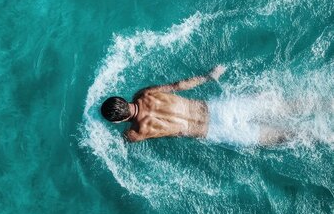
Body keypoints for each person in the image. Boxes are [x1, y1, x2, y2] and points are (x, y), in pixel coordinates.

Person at [100, 65, 287, 145]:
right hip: (218, 110)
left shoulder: (134, 133)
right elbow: (178, 86)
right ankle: (316, 102)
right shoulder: (145, 94)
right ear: (124, 100)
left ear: (118, 121)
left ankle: (316, 134)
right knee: (286, 107)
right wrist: (208, 76)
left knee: (285, 137)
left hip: (215, 131)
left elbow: (117, 143)